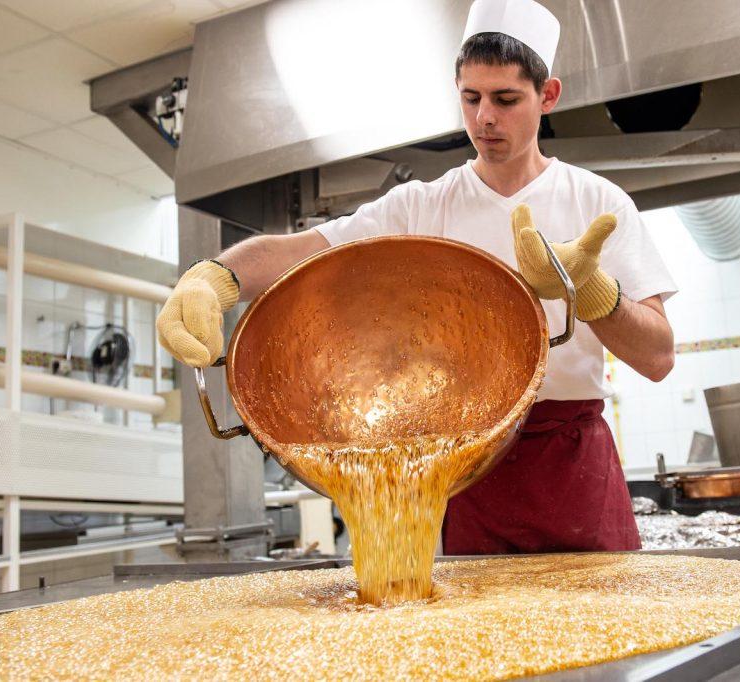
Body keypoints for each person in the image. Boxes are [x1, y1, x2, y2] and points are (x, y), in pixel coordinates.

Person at [157, 0, 676, 553]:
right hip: (466, 466)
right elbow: (302, 252)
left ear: (547, 96)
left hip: (571, 465)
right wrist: (215, 277)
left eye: (505, 99)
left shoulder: (597, 203)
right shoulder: (421, 208)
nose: (485, 118)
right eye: (471, 98)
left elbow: (658, 358)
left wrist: (593, 293)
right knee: (476, 612)